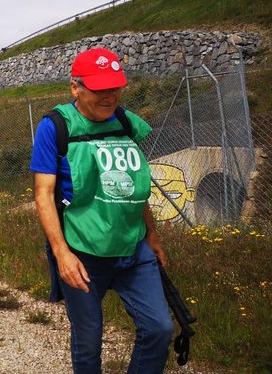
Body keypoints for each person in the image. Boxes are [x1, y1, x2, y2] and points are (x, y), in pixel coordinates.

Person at [30, 48, 173, 374]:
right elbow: (43, 194)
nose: (110, 96)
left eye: (115, 87)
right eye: (100, 89)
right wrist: (62, 253)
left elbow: (134, 185)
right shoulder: (55, 127)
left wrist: (151, 235)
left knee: (159, 328)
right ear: (75, 88)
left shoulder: (125, 122)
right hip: (83, 250)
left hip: (133, 247)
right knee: (89, 339)